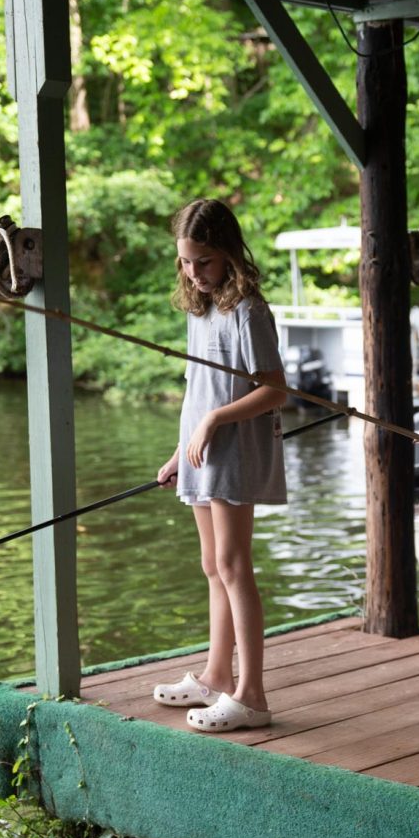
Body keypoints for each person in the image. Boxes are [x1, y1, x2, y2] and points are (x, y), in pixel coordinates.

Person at [153, 198, 289, 733]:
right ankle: (215, 675)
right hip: (201, 453)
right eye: (186, 262)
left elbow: (275, 390)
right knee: (213, 565)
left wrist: (214, 421)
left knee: (234, 565)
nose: (194, 272)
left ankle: (251, 694)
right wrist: (179, 450)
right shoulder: (201, 309)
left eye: (204, 261)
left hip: (234, 452)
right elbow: (198, 391)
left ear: (229, 252)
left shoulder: (248, 311)